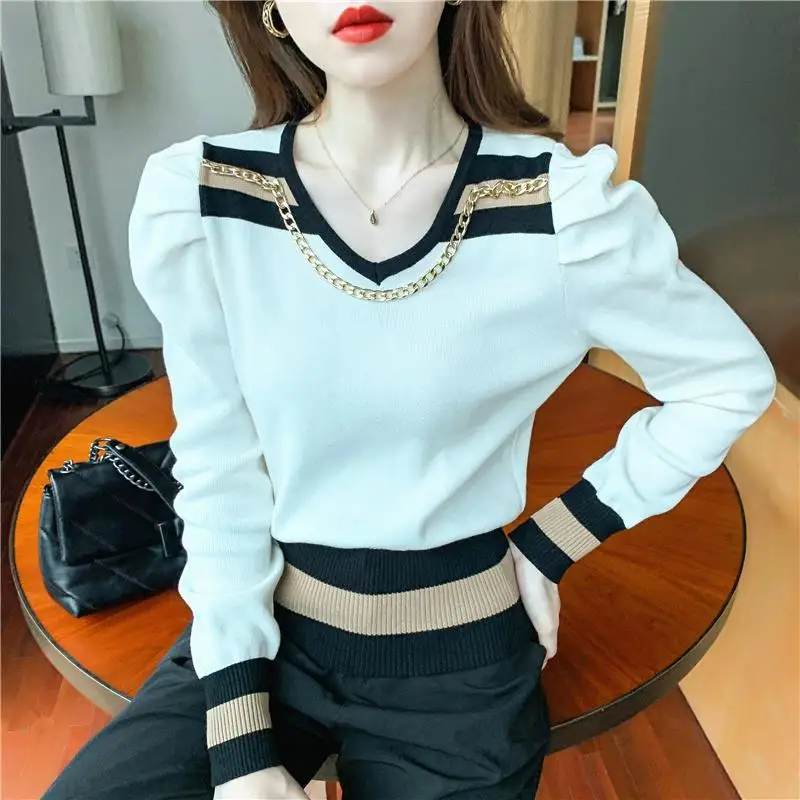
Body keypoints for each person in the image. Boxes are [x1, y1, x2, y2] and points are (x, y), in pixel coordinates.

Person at [42, 1, 777, 798]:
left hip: (460, 666)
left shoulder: (558, 209)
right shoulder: (206, 198)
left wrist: (552, 543)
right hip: (265, 633)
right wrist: (243, 748)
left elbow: (725, 379)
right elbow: (219, 467)